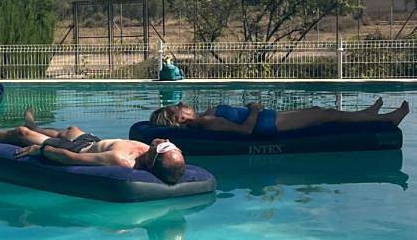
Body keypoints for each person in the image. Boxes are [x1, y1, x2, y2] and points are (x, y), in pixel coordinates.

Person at [0, 106, 187, 185]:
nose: (166, 141)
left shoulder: (122, 161)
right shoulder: (149, 150)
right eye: (173, 145)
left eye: (166, 147)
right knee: (70, 130)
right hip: (92, 142)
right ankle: (37, 126)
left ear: (154, 158)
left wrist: (42, 150)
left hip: (77, 150)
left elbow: (72, 160)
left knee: (22, 134)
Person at [149, 97, 410, 135]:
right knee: (325, 114)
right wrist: (253, 109)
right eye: (177, 107)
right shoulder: (205, 121)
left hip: (270, 117)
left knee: (323, 112)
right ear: (180, 119)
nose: (182, 104)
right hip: (268, 124)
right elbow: (244, 132)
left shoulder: (204, 116)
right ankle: (386, 120)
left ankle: (365, 115)